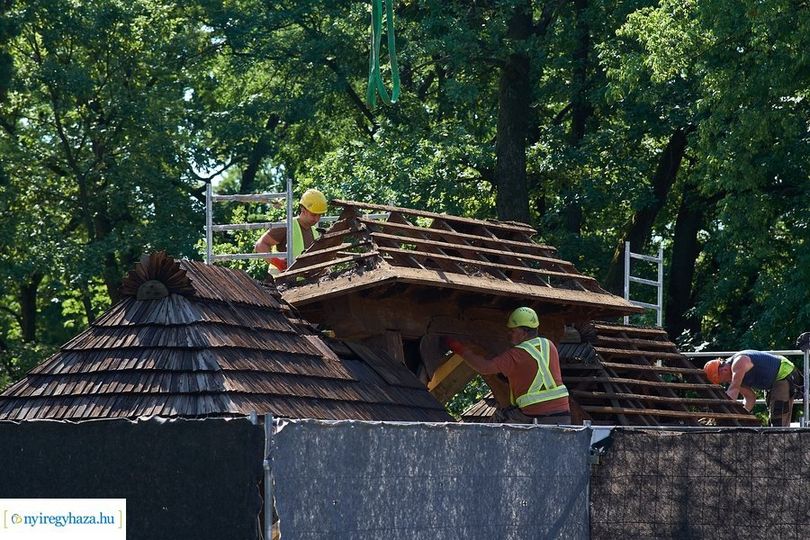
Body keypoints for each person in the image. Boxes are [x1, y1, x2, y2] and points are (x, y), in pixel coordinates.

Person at [447, 307, 571, 424]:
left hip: (533, 414)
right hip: (563, 414)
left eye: (512, 330)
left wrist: (459, 349)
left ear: (524, 333)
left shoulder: (516, 355)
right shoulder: (549, 345)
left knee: (495, 427)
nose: (509, 333)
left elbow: (484, 367)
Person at [703, 350, 800, 426]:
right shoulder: (733, 377)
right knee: (773, 417)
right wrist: (742, 416)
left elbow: (733, 390)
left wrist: (725, 414)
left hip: (784, 372)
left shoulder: (739, 363)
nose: (724, 382)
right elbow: (750, 397)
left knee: (779, 416)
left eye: (721, 380)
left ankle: (783, 448)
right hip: (772, 382)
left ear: (723, 370)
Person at [254, 188, 327, 272]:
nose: (317, 219)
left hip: (304, 282)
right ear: (303, 210)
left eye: (319, 215)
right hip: (280, 281)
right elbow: (260, 245)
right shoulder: (286, 226)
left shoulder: (315, 232)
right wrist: (277, 262)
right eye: (314, 215)